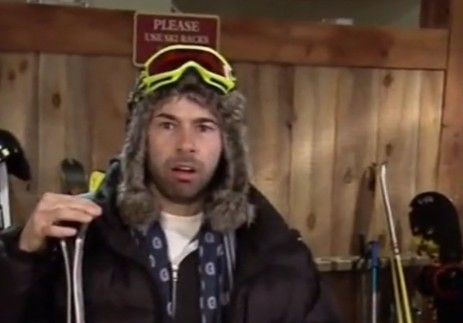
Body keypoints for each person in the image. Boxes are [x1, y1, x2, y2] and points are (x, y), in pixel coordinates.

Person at [0, 44, 340, 323]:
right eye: (167, 124)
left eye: (204, 126)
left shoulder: (275, 251)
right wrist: (20, 257)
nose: (186, 144)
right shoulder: (77, 237)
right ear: (140, 138)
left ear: (228, 143)